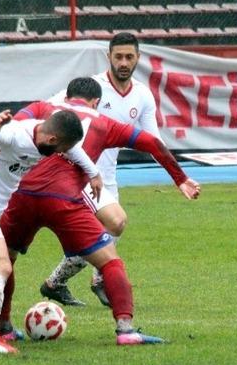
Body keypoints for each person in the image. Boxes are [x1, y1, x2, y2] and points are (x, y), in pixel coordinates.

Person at [0, 77, 200, 345]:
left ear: (67, 97)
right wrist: (180, 177)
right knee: (109, 261)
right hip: (65, 200)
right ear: (96, 102)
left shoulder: (40, 109)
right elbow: (152, 142)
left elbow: (10, 128)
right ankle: (126, 330)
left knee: (2, 261)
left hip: (22, 195)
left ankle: (2, 327)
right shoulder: (105, 124)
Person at [0, 109, 101, 354]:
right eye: (59, 149)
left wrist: (93, 173)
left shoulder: (48, 135)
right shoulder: (15, 134)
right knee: (1, 266)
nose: (61, 154)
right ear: (52, 140)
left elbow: (72, 149)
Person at [39, 32, 161, 307]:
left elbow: (153, 141)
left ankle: (58, 283)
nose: (123, 62)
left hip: (108, 178)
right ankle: (96, 280)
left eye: (129, 57)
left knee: (110, 230)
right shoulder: (91, 88)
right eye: (118, 56)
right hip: (78, 175)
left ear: (138, 58)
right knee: (113, 224)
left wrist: (177, 174)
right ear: (109, 57)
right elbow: (51, 107)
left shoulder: (142, 95)